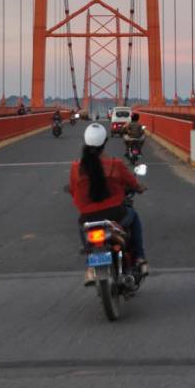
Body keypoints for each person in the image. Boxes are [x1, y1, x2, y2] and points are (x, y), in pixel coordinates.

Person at [69, 122, 148, 285]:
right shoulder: (115, 164)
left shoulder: (76, 167)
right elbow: (133, 183)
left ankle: (91, 267)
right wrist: (140, 188)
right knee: (134, 217)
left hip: (88, 218)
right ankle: (140, 258)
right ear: (105, 142)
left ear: (85, 142)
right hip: (115, 216)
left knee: (81, 226)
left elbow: (73, 189)